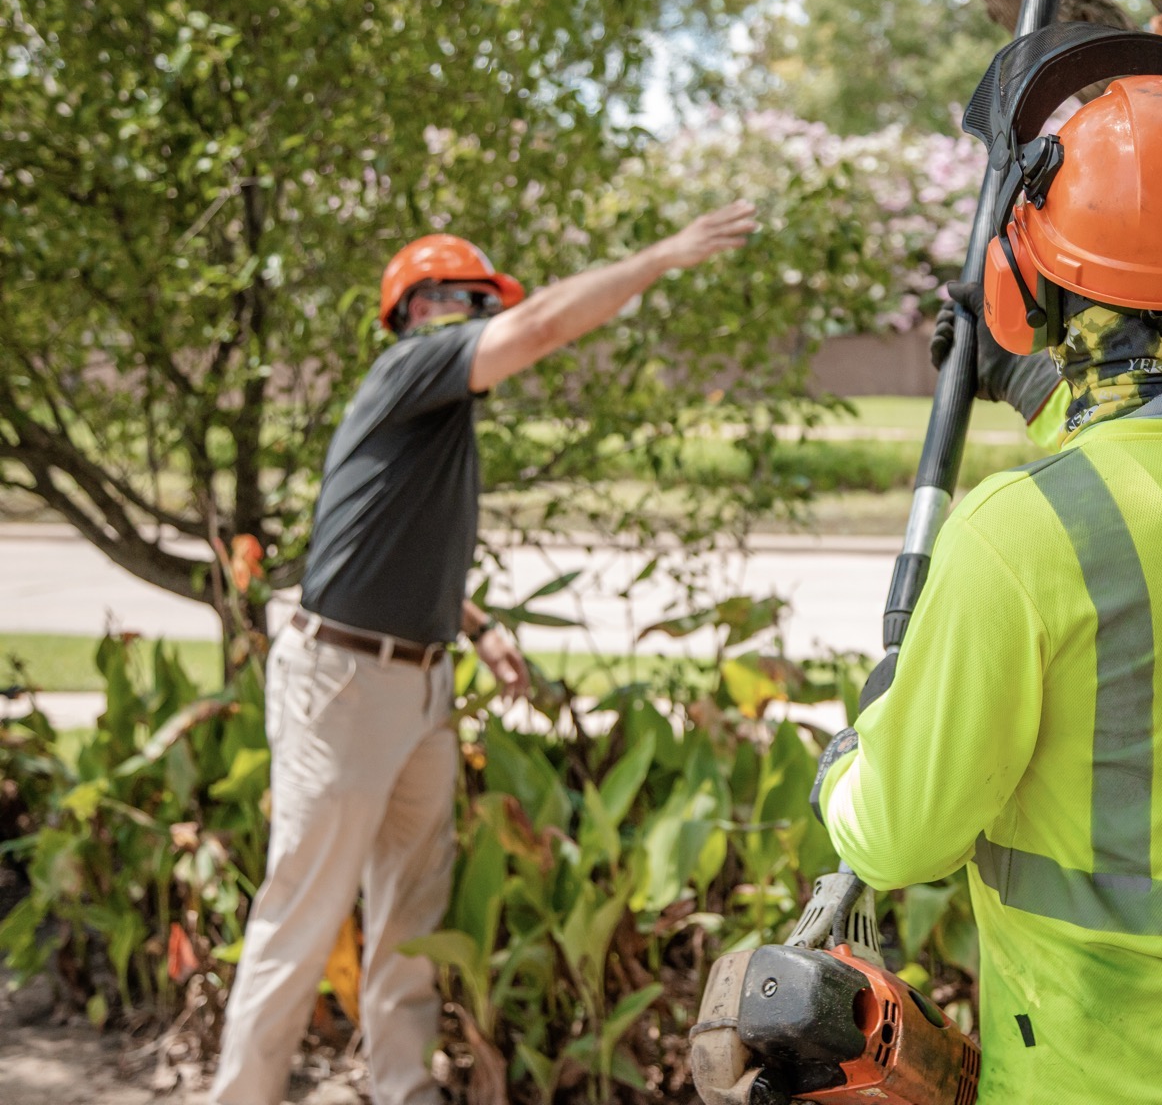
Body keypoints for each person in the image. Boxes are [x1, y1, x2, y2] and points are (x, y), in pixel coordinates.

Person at [813, 65, 1162, 1103]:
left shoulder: (1018, 538)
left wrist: (850, 760)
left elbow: (898, 840)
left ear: (1026, 293)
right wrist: (1035, 386)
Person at [211, 202, 756, 1105]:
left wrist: (477, 626)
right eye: (464, 297)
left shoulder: (435, 418)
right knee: (303, 909)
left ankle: (401, 1088)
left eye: (484, 298)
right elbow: (541, 324)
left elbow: (380, 549)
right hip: (345, 685)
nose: (480, 313)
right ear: (415, 311)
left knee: (411, 908)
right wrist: (662, 256)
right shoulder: (412, 365)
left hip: (415, 680)